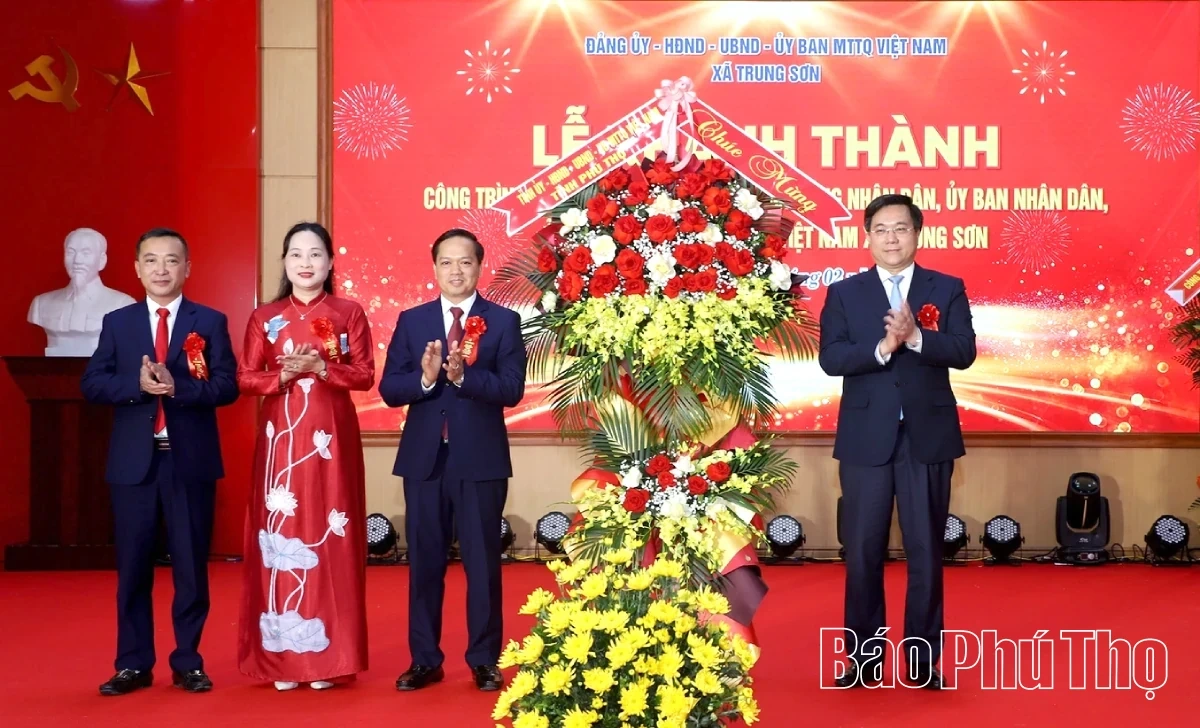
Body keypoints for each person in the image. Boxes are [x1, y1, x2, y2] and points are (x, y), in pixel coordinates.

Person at [818, 194, 976, 690]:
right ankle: (862, 662)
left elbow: (965, 351)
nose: (891, 237)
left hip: (926, 438)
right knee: (862, 550)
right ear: (867, 237)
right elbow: (831, 359)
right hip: (867, 439)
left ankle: (922, 662)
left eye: (901, 229)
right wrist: (883, 347)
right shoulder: (846, 293)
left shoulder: (946, 289)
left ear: (917, 234)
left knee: (926, 550)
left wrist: (916, 339)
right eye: (881, 229)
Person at [82, 228, 239, 696]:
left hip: (188, 463)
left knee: (191, 567)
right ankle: (133, 663)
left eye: (172, 261)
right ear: (136, 268)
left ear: (187, 268)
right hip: (134, 465)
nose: (162, 270)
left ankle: (188, 661)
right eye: (151, 261)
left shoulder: (208, 321)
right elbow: (92, 384)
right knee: (132, 567)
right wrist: (137, 386)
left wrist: (178, 389)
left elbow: (227, 386)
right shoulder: (119, 323)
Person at [379, 228, 526, 693]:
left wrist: (464, 377)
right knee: (424, 563)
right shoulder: (412, 320)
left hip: (480, 461)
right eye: (446, 262)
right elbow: (389, 389)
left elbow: (511, 390)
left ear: (480, 266)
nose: (456, 271)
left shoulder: (503, 321)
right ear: (434, 267)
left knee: (482, 565)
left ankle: (484, 659)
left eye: (465, 262)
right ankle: (425, 659)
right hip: (425, 461)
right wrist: (424, 381)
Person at [235, 222, 374, 691]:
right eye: (296, 254)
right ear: (285, 262)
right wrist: (284, 377)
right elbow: (244, 378)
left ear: (331, 262)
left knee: (329, 534)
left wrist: (322, 368)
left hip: (331, 440)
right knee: (283, 532)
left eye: (315, 254)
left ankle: (330, 659)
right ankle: (282, 657)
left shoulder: (348, 312)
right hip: (281, 443)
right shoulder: (265, 317)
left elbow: (364, 376)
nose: (306, 262)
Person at [28, 227, 136, 356]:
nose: (77, 261)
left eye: (86, 253)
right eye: (70, 252)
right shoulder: (41, 304)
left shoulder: (123, 305)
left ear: (102, 260)